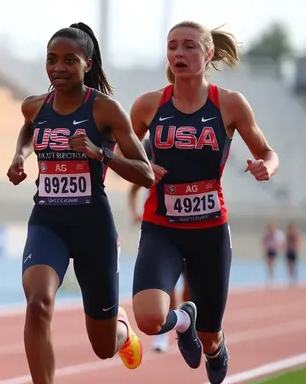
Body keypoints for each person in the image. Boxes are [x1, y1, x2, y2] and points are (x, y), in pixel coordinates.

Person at [130, 21, 279, 384]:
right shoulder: (149, 105)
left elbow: (267, 151)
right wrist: (143, 166)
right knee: (149, 319)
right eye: (173, 46)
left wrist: (266, 167)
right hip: (162, 227)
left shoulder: (229, 103)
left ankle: (215, 346)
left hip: (210, 230)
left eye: (189, 47)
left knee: (210, 337)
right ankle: (183, 321)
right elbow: (120, 153)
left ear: (208, 54)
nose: (179, 54)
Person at [6, 22, 154, 383]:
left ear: (87, 63)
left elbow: (145, 174)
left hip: (93, 229)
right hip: (48, 223)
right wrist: (20, 156)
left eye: (69, 60)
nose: (58, 67)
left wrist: (100, 152)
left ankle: (121, 328)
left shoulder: (105, 110)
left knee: (103, 347)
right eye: (52, 59)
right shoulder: (35, 105)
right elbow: (29, 126)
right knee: (38, 303)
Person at [126, 136, 191, 353]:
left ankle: (187, 323)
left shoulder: (184, 164)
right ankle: (163, 336)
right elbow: (133, 190)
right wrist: (136, 212)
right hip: (160, 232)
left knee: (190, 290)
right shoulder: (148, 171)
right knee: (167, 289)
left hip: (190, 230)